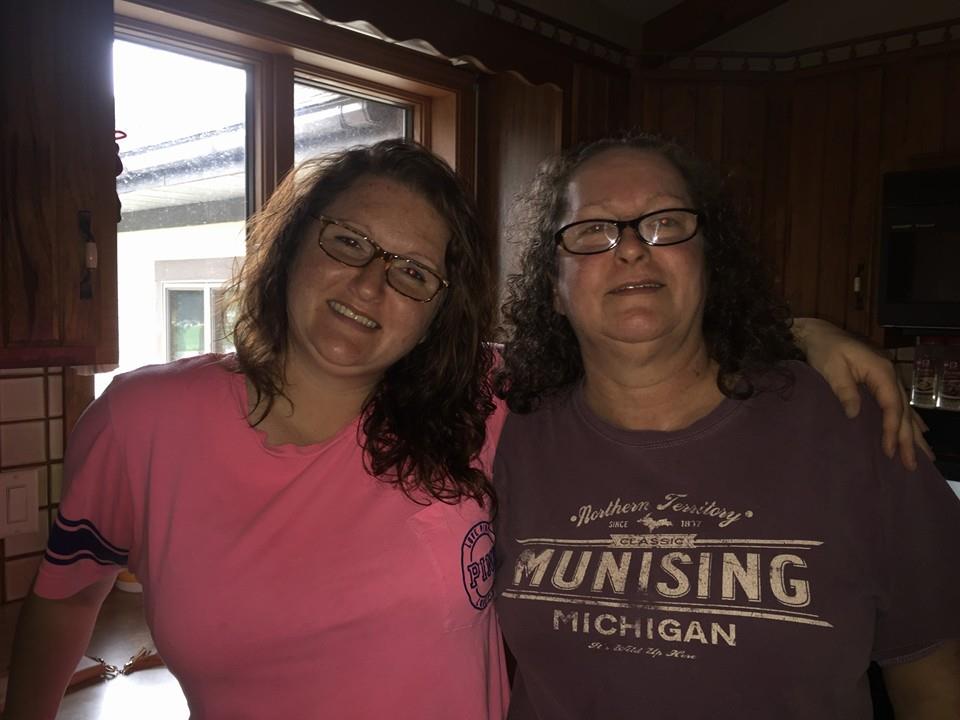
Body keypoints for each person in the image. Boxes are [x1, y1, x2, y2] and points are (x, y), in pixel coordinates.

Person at [3, 138, 927, 720]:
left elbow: (640, 332)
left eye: (412, 273)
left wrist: (802, 332)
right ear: (291, 243)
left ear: (440, 311)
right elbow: (62, 605)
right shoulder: (140, 420)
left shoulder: (483, 400)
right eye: (349, 242)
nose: (371, 287)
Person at [492, 132, 960, 719]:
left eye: (664, 221)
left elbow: (936, 679)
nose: (632, 247)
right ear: (554, 288)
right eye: (592, 230)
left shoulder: (851, 422)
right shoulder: (505, 433)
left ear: (709, 262)